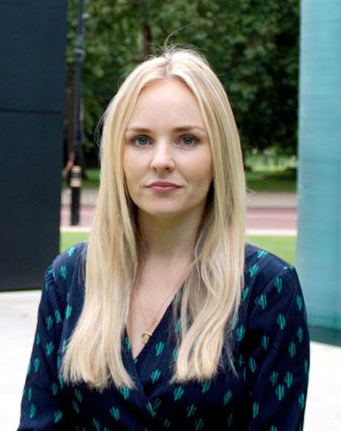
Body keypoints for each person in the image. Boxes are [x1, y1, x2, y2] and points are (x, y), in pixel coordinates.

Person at [19, 48, 309, 430]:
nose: (161, 160)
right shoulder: (70, 277)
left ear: (218, 154)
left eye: (187, 140)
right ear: (117, 155)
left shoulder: (267, 289)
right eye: (140, 140)